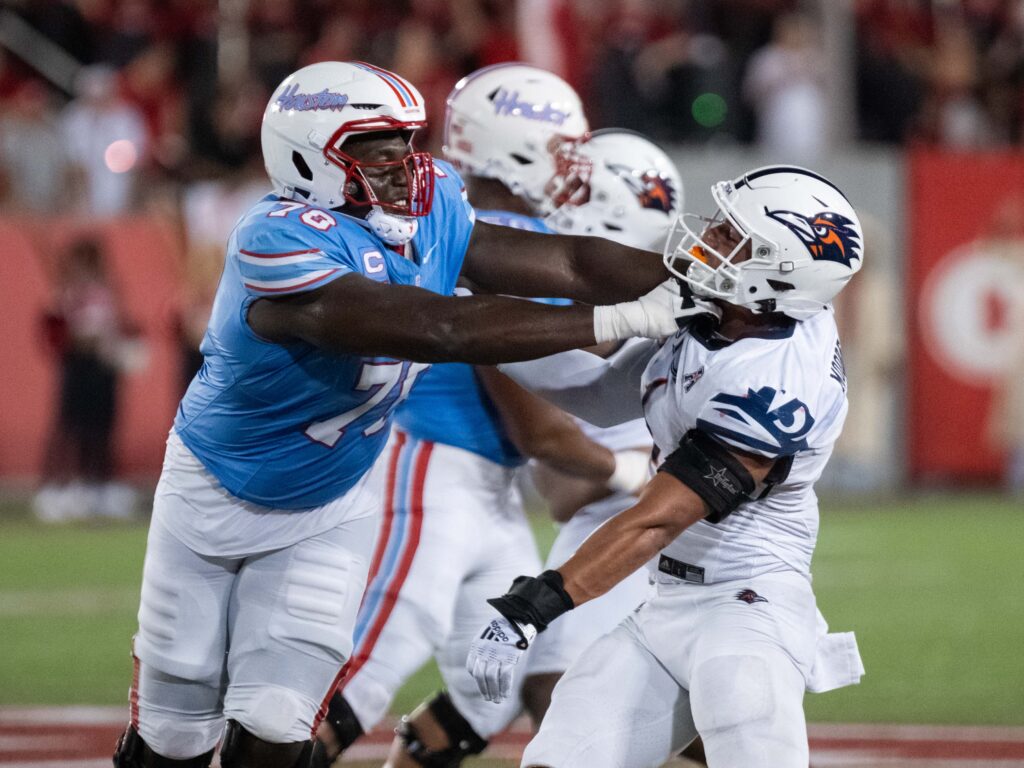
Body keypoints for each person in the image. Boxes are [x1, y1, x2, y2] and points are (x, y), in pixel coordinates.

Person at [113, 60, 687, 768]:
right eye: (374, 148)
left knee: (278, 717)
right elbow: (441, 329)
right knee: (175, 733)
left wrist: (693, 276)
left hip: (333, 499)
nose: (402, 164)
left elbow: (562, 261)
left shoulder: (436, 202)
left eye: (406, 143)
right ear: (307, 154)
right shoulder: (277, 237)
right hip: (213, 491)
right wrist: (623, 318)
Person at [305, 68, 677, 768]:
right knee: (370, 666)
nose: (576, 166)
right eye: (562, 147)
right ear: (518, 146)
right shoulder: (490, 234)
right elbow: (539, 407)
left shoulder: (494, 223)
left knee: (493, 685)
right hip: (430, 460)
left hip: (486, 486)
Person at [466, 165, 867, 768]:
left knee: (742, 725)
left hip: (748, 607)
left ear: (780, 272)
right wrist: (466, 322)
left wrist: (537, 604)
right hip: (665, 602)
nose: (711, 238)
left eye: (735, 237)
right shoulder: (732, 310)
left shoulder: (778, 381)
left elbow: (657, 518)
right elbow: (598, 391)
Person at [34, 237, 139, 522]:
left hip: (102, 368)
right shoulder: (66, 292)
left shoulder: (108, 291)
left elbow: (121, 327)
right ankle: (61, 485)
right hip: (76, 367)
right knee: (71, 427)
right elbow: (52, 334)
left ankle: (99, 484)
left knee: (102, 427)